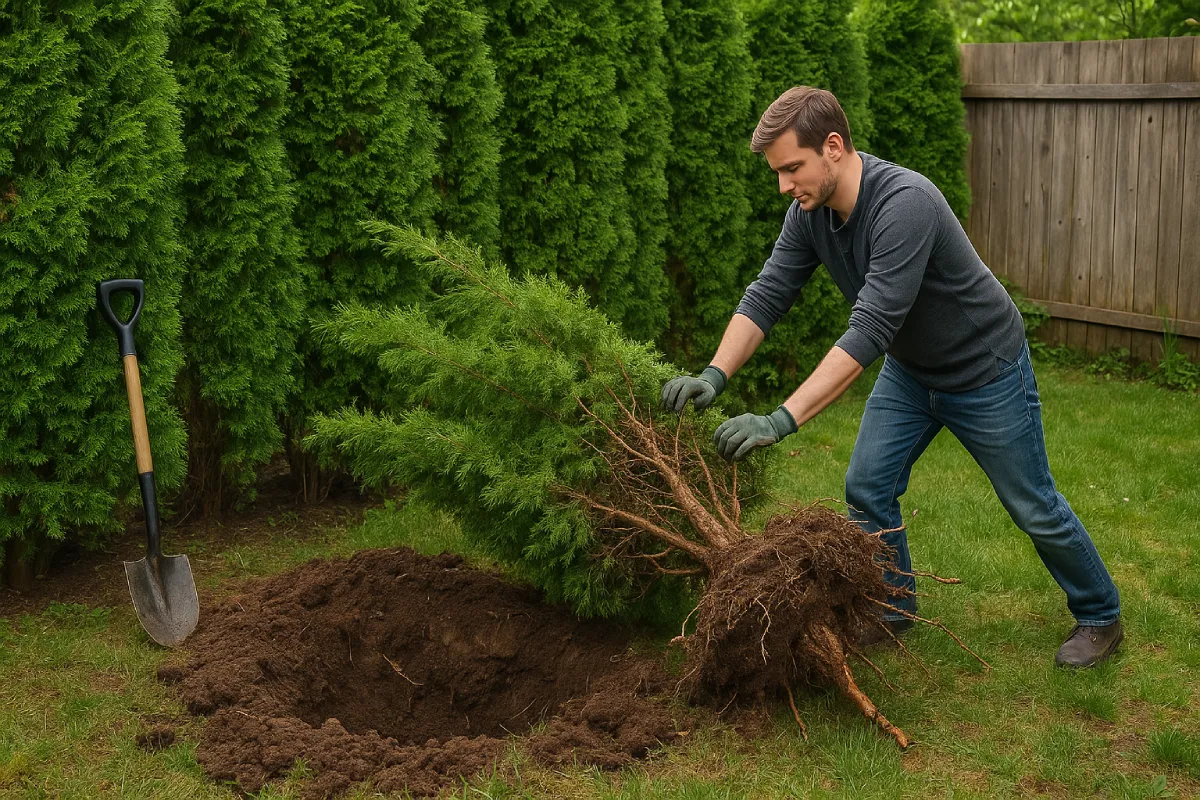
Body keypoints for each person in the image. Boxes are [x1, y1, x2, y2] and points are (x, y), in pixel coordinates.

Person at [660, 86, 1122, 668]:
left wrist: (781, 419)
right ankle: (895, 606)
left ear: (833, 147)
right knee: (867, 486)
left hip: (984, 369)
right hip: (912, 371)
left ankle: (1100, 612)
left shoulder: (905, 203)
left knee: (1031, 503)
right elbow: (768, 293)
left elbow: (870, 329)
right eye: (778, 173)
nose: (784, 185)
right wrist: (715, 374)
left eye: (792, 168)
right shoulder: (810, 214)